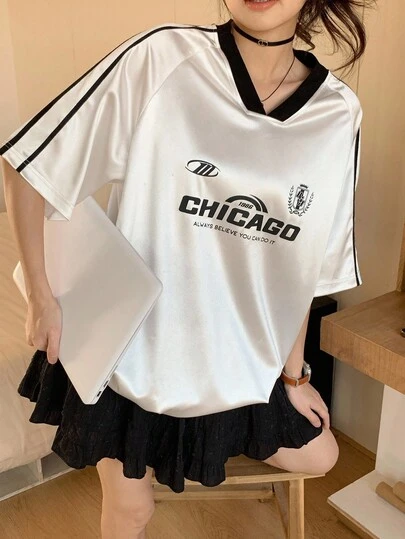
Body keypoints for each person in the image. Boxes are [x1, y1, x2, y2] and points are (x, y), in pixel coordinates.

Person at [1, 0, 372, 537]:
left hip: (235, 360)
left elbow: (306, 269)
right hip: (133, 361)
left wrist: (294, 376)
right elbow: (28, 164)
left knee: (322, 456)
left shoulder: (337, 114)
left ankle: (189, 441)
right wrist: (40, 296)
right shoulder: (163, 58)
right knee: (131, 511)